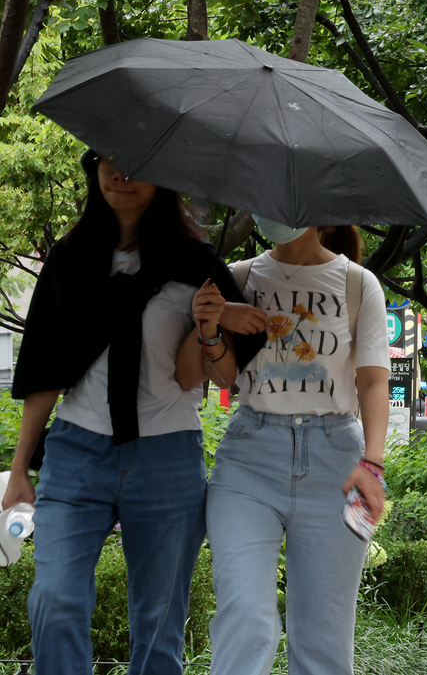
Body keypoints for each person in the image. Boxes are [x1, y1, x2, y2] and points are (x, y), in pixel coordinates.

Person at [4, 152, 263, 675]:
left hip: (167, 458)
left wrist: (210, 324)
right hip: (76, 452)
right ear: (91, 166)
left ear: (162, 175)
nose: (119, 175)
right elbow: (45, 373)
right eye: (107, 161)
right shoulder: (71, 258)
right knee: (54, 602)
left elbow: (208, 376)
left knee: (160, 624)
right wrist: (19, 469)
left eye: (135, 164)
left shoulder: (197, 263)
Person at [205, 219, 390, 675]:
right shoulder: (238, 278)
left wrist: (373, 462)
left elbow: (372, 380)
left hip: (336, 458)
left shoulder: (357, 283)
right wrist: (213, 323)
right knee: (246, 621)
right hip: (249, 455)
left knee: (323, 641)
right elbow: (221, 377)